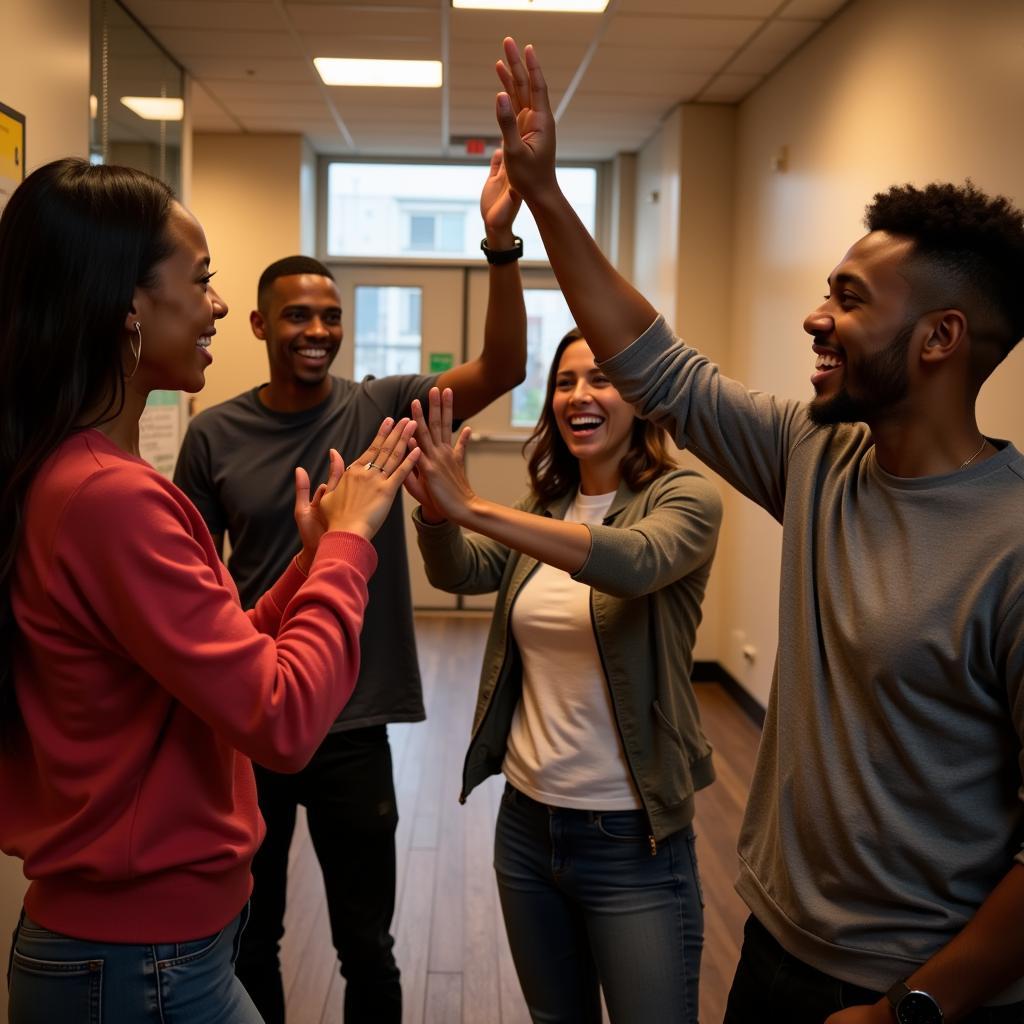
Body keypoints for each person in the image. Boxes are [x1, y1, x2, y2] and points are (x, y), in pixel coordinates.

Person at [488, 36, 1024, 1024]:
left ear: (941, 339)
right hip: (775, 944)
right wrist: (546, 197)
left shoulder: (1012, 546)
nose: (816, 319)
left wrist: (911, 1007)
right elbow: (655, 364)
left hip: (921, 987)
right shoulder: (816, 457)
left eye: (849, 300)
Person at [0, 159, 420, 1023]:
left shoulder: (81, 477)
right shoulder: (110, 499)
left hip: (147, 954)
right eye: (202, 281)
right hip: (137, 963)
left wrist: (307, 566)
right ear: (128, 309)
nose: (218, 306)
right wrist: (347, 546)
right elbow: (281, 717)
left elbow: (213, 660)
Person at [173, 149, 527, 1024]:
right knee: (251, 931)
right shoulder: (213, 436)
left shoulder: (383, 408)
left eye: (331, 316)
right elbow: (190, 574)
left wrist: (500, 247)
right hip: (252, 715)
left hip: (354, 718)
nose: (318, 331)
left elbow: (506, 367)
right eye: (297, 315)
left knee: (366, 940)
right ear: (256, 324)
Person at [406, 329, 722, 1023]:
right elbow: (464, 570)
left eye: (601, 380)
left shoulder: (686, 498)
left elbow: (632, 562)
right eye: (564, 382)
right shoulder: (543, 508)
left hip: (632, 836)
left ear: (641, 398)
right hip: (526, 823)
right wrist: (437, 512)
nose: (579, 396)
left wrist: (474, 508)